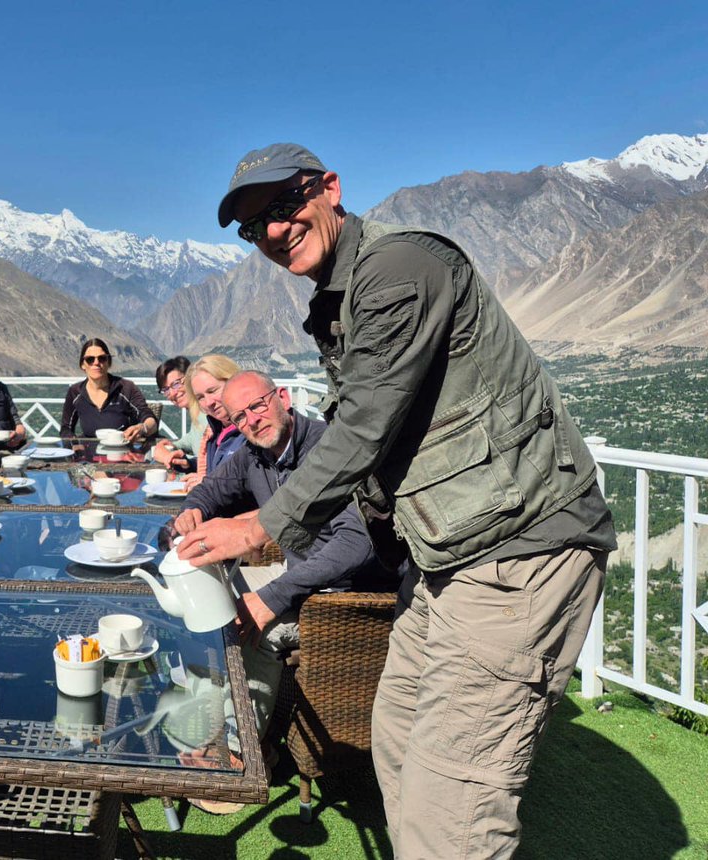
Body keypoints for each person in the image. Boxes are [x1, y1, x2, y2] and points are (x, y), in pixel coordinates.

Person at [187, 143, 616, 856]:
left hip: (517, 550)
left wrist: (263, 526)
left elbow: (364, 424)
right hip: (441, 559)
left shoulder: (396, 267)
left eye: (284, 206)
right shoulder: (342, 297)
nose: (271, 231)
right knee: (395, 752)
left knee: (451, 813)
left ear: (329, 188)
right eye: (252, 225)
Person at [169, 371, 384, 753]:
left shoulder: (326, 450)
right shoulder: (255, 454)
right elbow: (212, 490)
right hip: (298, 572)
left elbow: (356, 545)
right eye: (240, 417)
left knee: (256, 629)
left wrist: (271, 598)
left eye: (258, 405)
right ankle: (209, 715)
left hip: (344, 592)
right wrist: (191, 512)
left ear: (282, 397)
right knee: (208, 597)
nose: (251, 420)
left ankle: (242, 752)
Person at [59, 338, 157, 440]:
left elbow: (149, 419)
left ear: (108, 362)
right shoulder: (75, 392)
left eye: (102, 358)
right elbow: (66, 428)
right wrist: (74, 444)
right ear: (83, 365)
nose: (96, 362)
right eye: (90, 359)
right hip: (89, 452)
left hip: (124, 451)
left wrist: (142, 428)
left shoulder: (126, 388)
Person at [185, 354, 246, 487]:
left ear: (233, 381)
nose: (208, 402)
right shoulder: (215, 431)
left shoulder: (251, 428)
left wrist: (208, 484)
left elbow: (250, 481)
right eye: (200, 397)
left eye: (213, 391)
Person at [151, 356, 207, 473]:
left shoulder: (207, 411)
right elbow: (192, 438)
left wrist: (170, 456)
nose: (172, 393)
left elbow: (212, 460)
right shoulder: (197, 412)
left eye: (176, 384)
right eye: (165, 389)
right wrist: (171, 445)